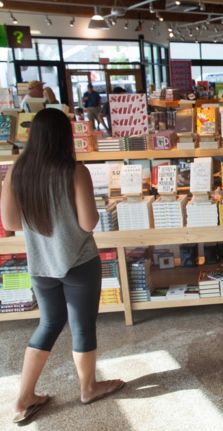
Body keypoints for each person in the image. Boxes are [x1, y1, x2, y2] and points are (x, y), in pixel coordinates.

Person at [1, 109, 125, 424]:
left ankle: (25, 395)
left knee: (49, 323)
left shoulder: (17, 172)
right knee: (82, 326)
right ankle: (88, 387)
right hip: (78, 262)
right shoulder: (74, 172)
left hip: (41, 265)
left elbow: (10, 222)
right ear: (65, 137)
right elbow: (89, 222)